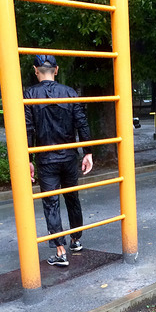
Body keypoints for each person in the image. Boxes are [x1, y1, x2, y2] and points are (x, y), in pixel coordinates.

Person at [24, 54, 93, 267]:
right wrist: (88, 152)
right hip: (69, 156)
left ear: (36, 70)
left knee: (51, 202)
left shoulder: (30, 95)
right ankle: (75, 240)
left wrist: (28, 159)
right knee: (72, 197)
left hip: (46, 157)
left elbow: (27, 129)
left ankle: (60, 251)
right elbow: (82, 122)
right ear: (56, 70)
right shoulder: (69, 92)